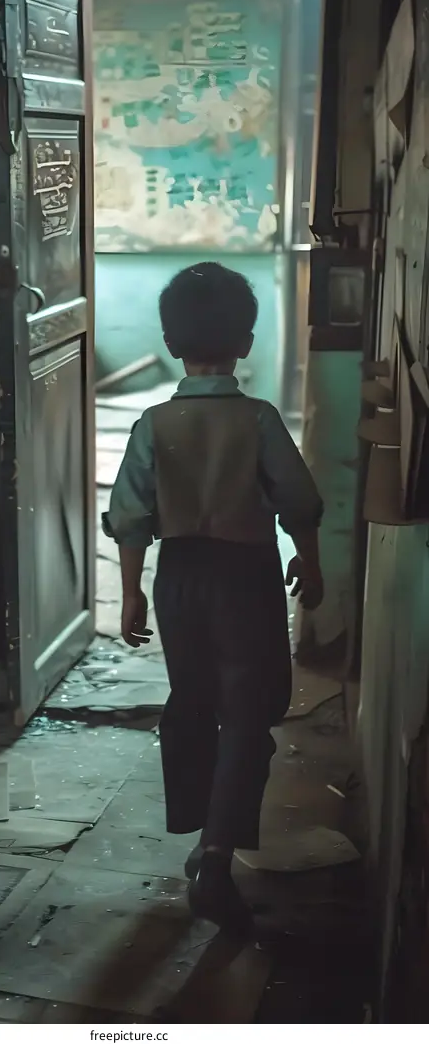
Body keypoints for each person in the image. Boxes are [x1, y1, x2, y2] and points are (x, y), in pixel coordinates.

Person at [102, 262, 324, 941]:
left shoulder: (152, 423)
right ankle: (218, 858)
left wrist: (131, 590)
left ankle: (201, 834)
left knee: (193, 702)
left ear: (171, 343)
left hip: (179, 579)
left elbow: (129, 515)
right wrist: (309, 566)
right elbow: (299, 502)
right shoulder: (257, 421)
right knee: (249, 714)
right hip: (245, 577)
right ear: (247, 343)